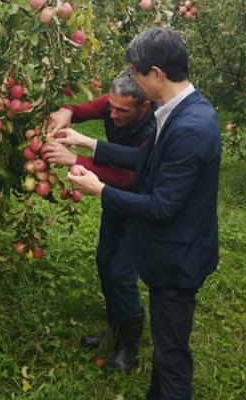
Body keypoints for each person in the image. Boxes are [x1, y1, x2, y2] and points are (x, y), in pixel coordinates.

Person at [60, 27, 220, 399]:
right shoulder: (180, 111)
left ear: (157, 74)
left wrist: (100, 189)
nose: (133, 79)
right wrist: (88, 146)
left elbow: (162, 206)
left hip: (178, 259)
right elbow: (143, 159)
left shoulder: (190, 127)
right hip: (169, 250)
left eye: (136, 72)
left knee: (171, 358)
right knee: (166, 352)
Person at [41, 70, 156, 371]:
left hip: (141, 204)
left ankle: (129, 348)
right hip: (113, 198)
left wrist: (76, 159)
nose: (113, 115)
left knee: (121, 272)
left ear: (143, 106)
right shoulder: (113, 103)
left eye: (122, 111)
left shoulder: (155, 127)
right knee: (105, 261)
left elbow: (130, 177)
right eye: (111, 107)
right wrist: (65, 111)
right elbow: (78, 110)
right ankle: (115, 328)